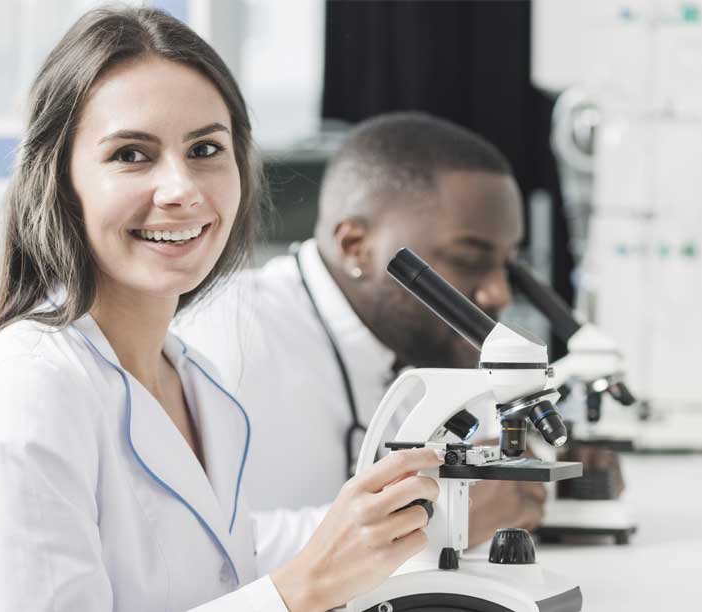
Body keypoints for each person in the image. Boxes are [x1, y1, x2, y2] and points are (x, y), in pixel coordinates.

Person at [0, 8, 444, 612]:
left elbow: (217, 572)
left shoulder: (193, 381)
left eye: (205, 149)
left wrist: (392, 516)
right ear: (59, 182)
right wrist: (301, 589)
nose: (182, 190)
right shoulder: (22, 391)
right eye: (131, 155)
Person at [175, 112, 553, 571]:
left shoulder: (419, 338)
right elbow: (193, 553)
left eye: (507, 266)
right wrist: (433, 521)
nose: (498, 293)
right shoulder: (227, 340)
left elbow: (495, 466)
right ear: (355, 245)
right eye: (468, 259)